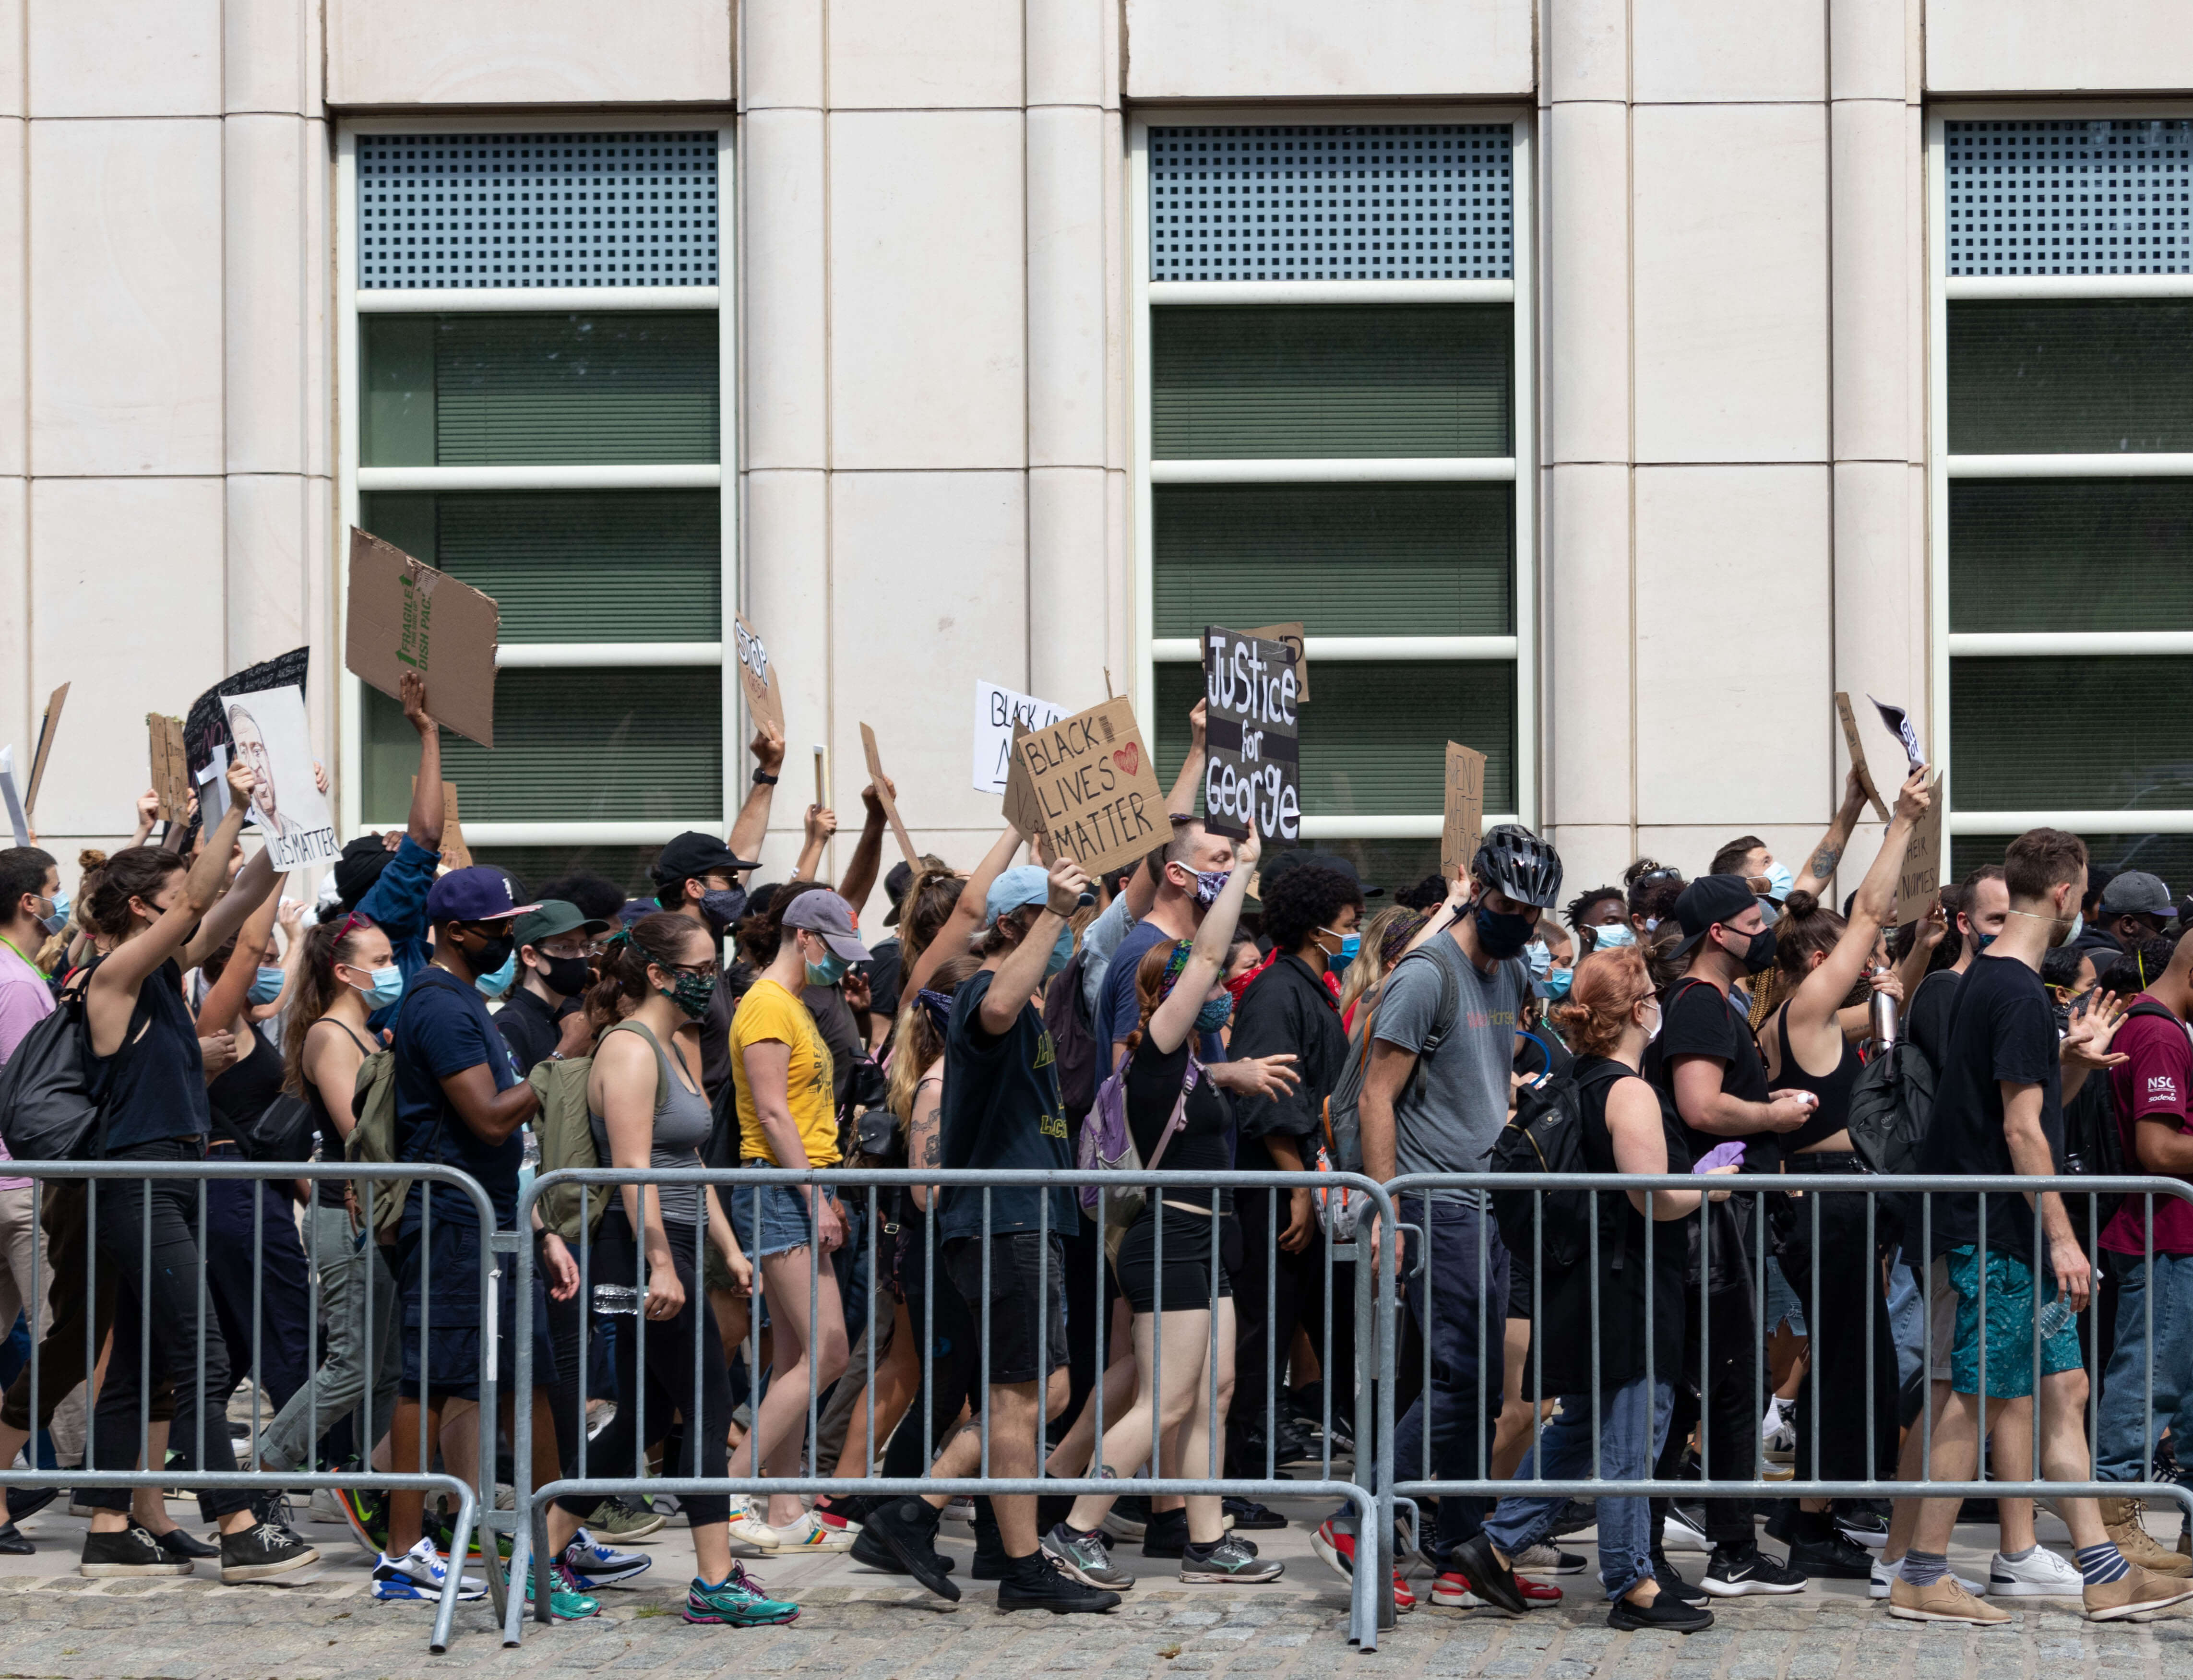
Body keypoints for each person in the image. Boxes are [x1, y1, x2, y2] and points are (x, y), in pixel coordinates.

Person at [1892, 827, 2193, 1625]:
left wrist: (2071, 1063)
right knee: (1977, 1397)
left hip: (2003, 1229)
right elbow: (2023, 1133)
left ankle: (2104, 1570)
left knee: (2066, 1387)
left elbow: (2019, 1112)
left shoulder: (1998, 982)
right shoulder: (2019, 993)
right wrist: (2064, 1239)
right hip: (1995, 1233)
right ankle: (1922, 1573)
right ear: (2066, 895)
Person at [73, 761, 318, 1584]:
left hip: (174, 1182)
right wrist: (234, 807)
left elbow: (238, 901)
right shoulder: (110, 980)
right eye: (180, 896)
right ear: (145, 908)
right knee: (203, 1356)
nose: (196, 903)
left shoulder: (169, 980)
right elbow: (197, 900)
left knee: (142, 1360)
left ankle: (111, 1522)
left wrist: (288, 831)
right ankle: (238, 1523)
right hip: (138, 1184)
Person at [857, 856, 1121, 1615]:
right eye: (1053, 920)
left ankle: (916, 1510)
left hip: (1028, 1223)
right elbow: (998, 1006)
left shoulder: (1031, 999)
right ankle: (1021, 1566)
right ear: (1018, 924)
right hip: (1003, 1224)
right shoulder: (984, 989)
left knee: (1047, 1390)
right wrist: (1053, 913)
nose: (1068, 934)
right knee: (1015, 1400)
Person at [1322, 825, 1564, 1609]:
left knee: (1483, 1382)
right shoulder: (1430, 974)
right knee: (1463, 1375)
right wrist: (1387, 1212)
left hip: (1483, 1194)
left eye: (1533, 912)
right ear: (1478, 892)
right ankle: (1356, 1518)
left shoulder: (1510, 969)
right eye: (1507, 904)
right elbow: (1374, 1096)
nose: (1520, 920)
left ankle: (1459, 1546)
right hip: (1430, 1198)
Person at [1044, 831, 1285, 1590]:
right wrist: (1242, 869)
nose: (1215, 990)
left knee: (1211, 1389)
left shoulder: (1192, 1066)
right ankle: (1076, 1527)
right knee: (1166, 1396)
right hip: (1171, 1232)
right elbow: (1207, 959)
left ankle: (1206, 1537)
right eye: (1195, 985)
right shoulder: (1155, 1050)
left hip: (1202, 1232)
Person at [1450, 947, 1706, 1632]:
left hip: (1583, 1277)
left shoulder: (1574, 1080)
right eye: (1650, 992)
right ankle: (1631, 1582)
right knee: (1631, 1433)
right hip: (1627, 1283)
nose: (1658, 1003)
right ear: (1635, 1010)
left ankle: (1494, 1545)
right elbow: (1653, 1197)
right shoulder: (1627, 1090)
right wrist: (1713, 1182)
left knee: (1582, 1428)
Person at [553, 913, 794, 1627]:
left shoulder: (674, 1043)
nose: (708, 982)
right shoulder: (629, 1049)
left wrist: (727, 1248)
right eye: (696, 971)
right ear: (657, 974)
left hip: (682, 1242)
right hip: (642, 1248)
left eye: (713, 969)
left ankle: (539, 1551)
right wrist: (661, 1260)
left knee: (650, 1415)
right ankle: (715, 1580)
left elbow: (688, 1162)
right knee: (706, 1403)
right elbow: (633, 1168)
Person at [380, 866, 596, 1619]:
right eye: (501, 925)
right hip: (451, 1219)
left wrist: (535, 1231)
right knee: (431, 1380)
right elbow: (490, 1117)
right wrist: (561, 1057)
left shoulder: (465, 998)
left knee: (520, 1373)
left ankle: (548, 1532)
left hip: (496, 1216)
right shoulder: (439, 1005)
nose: (511, 935)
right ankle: (404, 1551)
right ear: (458, 932)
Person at [1754, 770, 1931, 1582]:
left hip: (1838, 1205)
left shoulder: (1811, 1019)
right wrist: (1900, 822)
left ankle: (1811, 1512)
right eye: (1852, 957)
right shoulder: (1801, 1011)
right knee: (1845, 1360)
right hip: (1826, 1205)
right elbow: (1866, 912)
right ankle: (1812, 1520)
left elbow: (1890, 1008)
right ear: (1821, 962)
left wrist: (1922, 952)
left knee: (1850, 1357)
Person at [1642, 871, 1812, 1596]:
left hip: (1724, 1221)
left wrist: (1760, 1103)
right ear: (1719, 933)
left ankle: (1729, 1543)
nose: (1765, 932)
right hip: (1709, 1227)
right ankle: (1668, 1548)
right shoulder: (1700, 1005)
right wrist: (1770, 1117)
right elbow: (1701, 1106)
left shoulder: (1718, 1003)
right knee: (1701, 1387)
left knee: (1724, 1383)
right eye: (1754, 921)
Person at [721, 889, 864, 1552]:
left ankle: (783, 1506)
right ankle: (724, 1491)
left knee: (795, 1356)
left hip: (799, 1180)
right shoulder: (768, 1004)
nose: (844, 967)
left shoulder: (793, 1003)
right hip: (782, 1185)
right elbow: (774, 1113)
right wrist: (812, 1195)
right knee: (828, 1350)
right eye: (834, 951)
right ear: (804, 937)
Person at [251, 914, 403, 1493]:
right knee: (352, 1365)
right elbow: (360, 1130)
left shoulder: (369, 1033)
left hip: (375, 1216)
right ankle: (261, 1475)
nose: (393, 971)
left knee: (383, 1370)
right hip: (350, 1218)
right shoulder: (329, 1035)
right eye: (383, 961)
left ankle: (380, 1489)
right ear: (345, 972)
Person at [1226, 860, 1359, 1477]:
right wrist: (1299, 1187)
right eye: (1345, 922)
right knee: (1260, 1332)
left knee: (1287, 1330)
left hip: (1307, 1185)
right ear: (1314, 928)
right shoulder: (1276, 992)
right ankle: (1234, 1468)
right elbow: (1271, 1095)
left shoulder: (1310, 988)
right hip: (1279, 1192)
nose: (1353, 931)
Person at [2088, 926, 2193, 1573]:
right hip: (2161, 1238)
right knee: (2147, 1381)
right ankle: (2113, 1521)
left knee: (2174, 1387)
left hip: (2171, 1237)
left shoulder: (2154, 1026)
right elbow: (2158, 1151)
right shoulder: (2156, 1033)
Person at [0, 845, 84, 1551]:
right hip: (23, 1187)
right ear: (30, 901)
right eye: (55, 889)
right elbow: (39, 1094)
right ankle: (99, 1479)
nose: (60, 900)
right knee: (66, 1334)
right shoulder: (22, 986)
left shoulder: (24, 973)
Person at [648, 722, 787, 1102]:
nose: (739, 886)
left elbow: (744, 845)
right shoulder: (678, 961)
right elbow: (683, 1079)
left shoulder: (702, 949)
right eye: (729, 879)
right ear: (694, 888)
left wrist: (768, 772)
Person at [497, 900, 610, 1075]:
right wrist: (568, 1050)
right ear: (530, 956)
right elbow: (515, 1102)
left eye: (585, 946)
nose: (581, 956)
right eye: (566, 947)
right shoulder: (512, 1025)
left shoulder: (554, 1017)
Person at [2096, 871, 2174, 957]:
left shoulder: (2085, 954)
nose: (2167, 937)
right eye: (2158, 926)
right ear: (2128, 924)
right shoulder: (2115, 968)